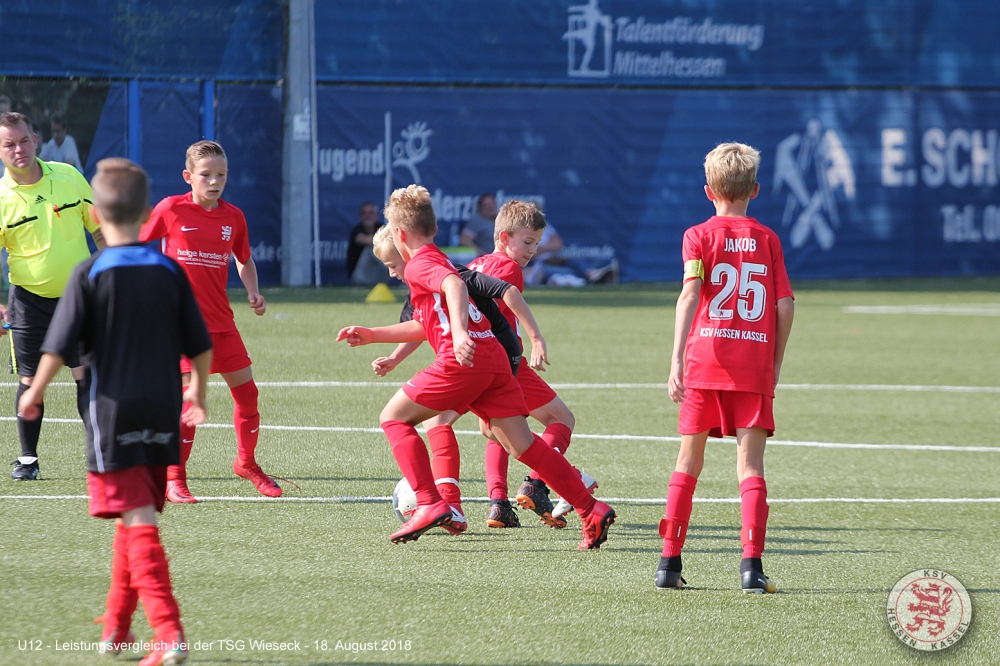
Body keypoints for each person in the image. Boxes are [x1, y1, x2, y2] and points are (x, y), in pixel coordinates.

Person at [337, 184, 615, 549]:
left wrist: (459, 333)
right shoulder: (438, 257)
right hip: (495, 358)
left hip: (464, 361)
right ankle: (590, 508)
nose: (392, 272)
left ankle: (431, 502)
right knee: (522, 445)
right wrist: (374, 335)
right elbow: (425, 323)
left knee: (393, 418)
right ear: (434, 229)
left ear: (400, 235)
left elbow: (455, 286)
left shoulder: (420, 264)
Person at [18, 158, 212, 666]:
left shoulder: (90, 271)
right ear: (148, 214)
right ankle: (118, 627)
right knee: (133, 515)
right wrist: (197, 392)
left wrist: (34, 392)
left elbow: (58, 346)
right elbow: (200, 343)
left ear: (97, 215)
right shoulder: (169, 269)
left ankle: (168, 632)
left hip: (114, 413)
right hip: (165, 407)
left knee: (138, 517)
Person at [655, 142, 795, 594]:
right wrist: (774, 362)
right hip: (752, 364)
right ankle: (752, 567)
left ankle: (669, 563)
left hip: (704, 360)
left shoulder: (697, 235)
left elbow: (689, 294)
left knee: (687, 461)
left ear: (708, 191)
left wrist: (676, 359)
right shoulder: (768, 239)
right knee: (750, 466)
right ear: (754, 189)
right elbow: (785, 304)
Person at [368, 224, 551, 530]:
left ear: (405, 251)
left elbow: (505, 291)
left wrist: (535, 338)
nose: (391, 273)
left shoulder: (454, 273)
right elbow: (420, 326)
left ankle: (541, 487)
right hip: (476, 358)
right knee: (492, 432)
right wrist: (394, 358)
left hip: (495, 357)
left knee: (526, 429)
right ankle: (477, 504)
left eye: (392, 265)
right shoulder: (421, 281)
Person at [139, 140, 281, 502]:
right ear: (188, 177)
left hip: (222, 323)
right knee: (190, 402)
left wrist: (253, 291)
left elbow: (244, 259)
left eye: (221, 174)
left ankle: (246, 463)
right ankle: (175, 477)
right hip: (181, 326)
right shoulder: (171, 209)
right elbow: (137, 243)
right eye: (206, 175)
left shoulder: (234, 217)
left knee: (248, 395)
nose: (215, 181)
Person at [468, 201, 598, 528]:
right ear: (503, 237)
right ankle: (537, 483)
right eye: (527, 242)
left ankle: (498, 504)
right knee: (561, 418)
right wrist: (536, 337)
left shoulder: (474, 264)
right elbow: (507, 295)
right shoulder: (508, 266)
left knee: (496, 432)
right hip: (503, 361)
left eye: (537, 243)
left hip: (474, 362)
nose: (532, 250)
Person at [0, 112, 105, 481]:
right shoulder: (1, 198)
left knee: (86, 376)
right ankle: (28, 459)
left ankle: (101, 456)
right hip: (28, 303)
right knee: (30, 381)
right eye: (9, 144)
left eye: (23, 140)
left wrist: (115, 271)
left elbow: (100, 228)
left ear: (36, 139)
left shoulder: (69, 176)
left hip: (79, 300)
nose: (18, 149)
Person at [346, 201, 389, 284]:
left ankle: (403, 275)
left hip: (380, 275)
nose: (367, 216)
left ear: (376, 216)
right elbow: (365, 240)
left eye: (370, 213)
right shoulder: (357, 230)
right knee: (371, 248)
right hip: (360, 276)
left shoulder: (382, 228)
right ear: (360, 216)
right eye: (364, 213)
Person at [458, 192, 498, 257]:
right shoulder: (477, 221)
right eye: (486, 205)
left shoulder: (500, 220)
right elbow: (464, 240)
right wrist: (482, 254)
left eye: (492, 204)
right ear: (480, 208)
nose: (490, 207)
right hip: (487, 259)